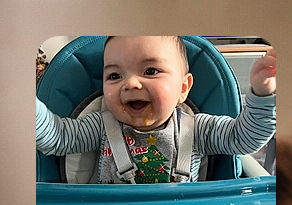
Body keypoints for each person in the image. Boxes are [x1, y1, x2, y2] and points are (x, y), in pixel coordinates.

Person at [35, 35, 276, 184]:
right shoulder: (100, 126)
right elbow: (58, 138)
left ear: (183, 87)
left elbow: (244, 139)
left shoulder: (199, 129)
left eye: (150, 71)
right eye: (114, 75)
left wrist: (262, 94)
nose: (130, 83)